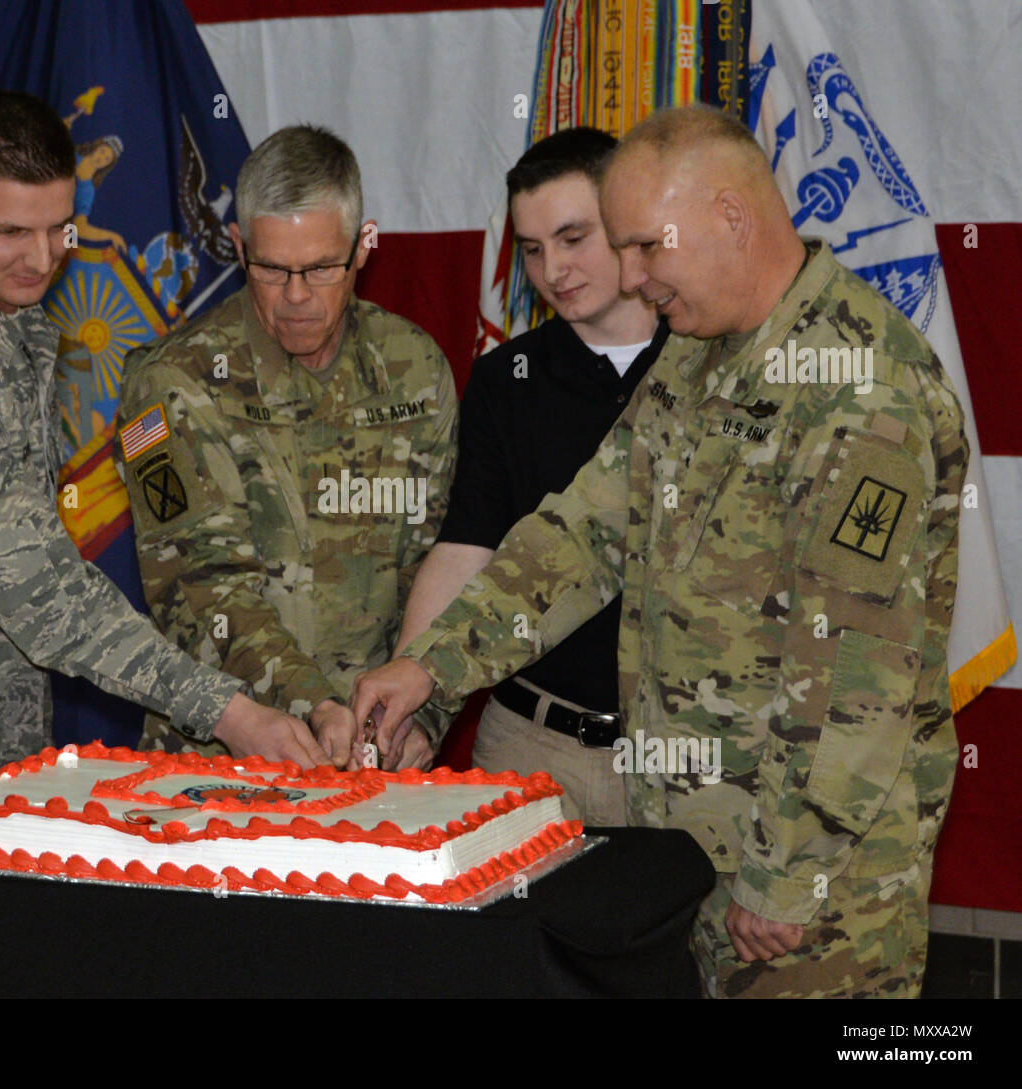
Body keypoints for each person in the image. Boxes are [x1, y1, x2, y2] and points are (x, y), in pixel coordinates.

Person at [352, 105, 966, 998]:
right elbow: (584, 534)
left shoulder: (863, 392)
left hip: (811, 883)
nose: (632, 279)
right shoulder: (697, 354)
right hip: (690, 844)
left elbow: (854, 671)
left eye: (647, 247)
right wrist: (432, 668)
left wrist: (788, 873)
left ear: (731, 217)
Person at [0, 92, 321, 847]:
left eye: (59, 228)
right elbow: (43, 596)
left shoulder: (10, 329)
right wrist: (227, 710)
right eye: (11, 230)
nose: (41, 258)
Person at [116, 124, 458, 772]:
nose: (296, 295)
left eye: (322, 268)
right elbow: (198, 587)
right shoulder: (167, 384)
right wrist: (314, 704)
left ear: (363, 246)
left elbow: (439, 561)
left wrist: (423, 711)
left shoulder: (413, 369)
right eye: (272, 268)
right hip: (221, 764)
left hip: (374, 763)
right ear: (239, 246)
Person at [392, 127, 665, 824]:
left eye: (574, 238)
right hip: (532, 743)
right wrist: (412, 688)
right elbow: (466, 547)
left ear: (629, 224)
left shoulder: (703, 361)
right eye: (534, 250)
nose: (554, 270)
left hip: (684, 760)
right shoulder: (504, 379)